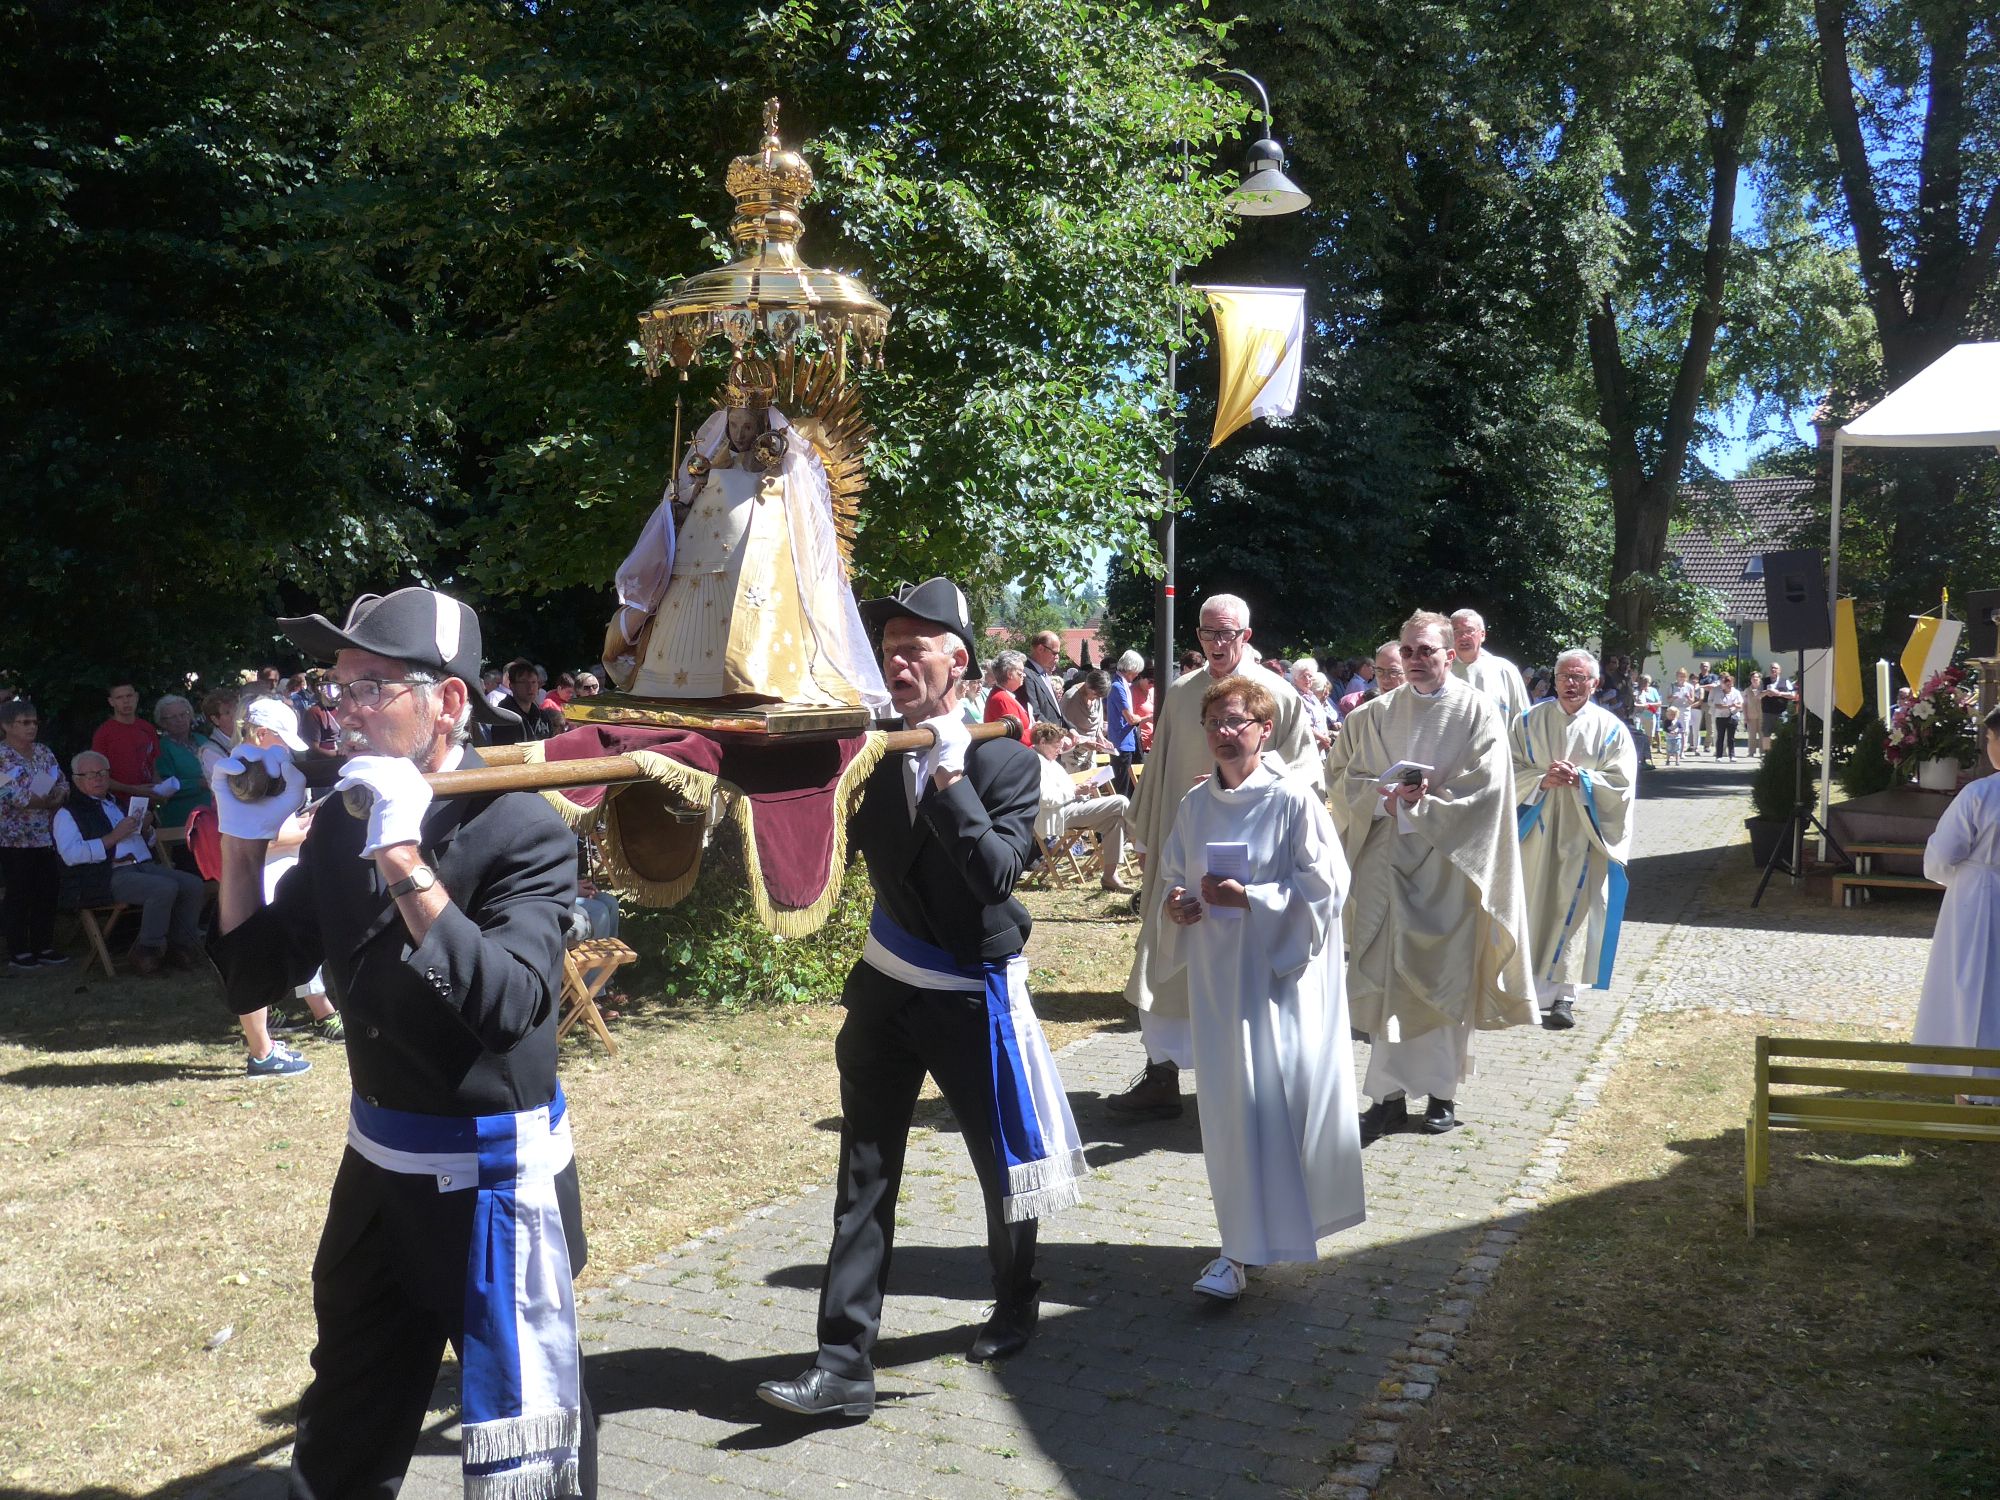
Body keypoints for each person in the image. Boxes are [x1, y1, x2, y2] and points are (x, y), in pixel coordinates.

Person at [209, 585, 593, 1496]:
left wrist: (403, 856)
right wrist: (240, 844)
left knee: (525, 1435)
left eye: (370, 687)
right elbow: (251, 977)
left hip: (493, 1179)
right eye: (336, 688)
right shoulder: (348, 815)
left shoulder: (523, 828)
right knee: (349, 1403)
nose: (342, 712)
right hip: (378, 1169)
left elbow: (509, 1007)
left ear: (447, 701)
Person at [758, 578, 1086, 1420]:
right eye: (888, 649)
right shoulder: (867, 757)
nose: (897, 662)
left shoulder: (1007, 762)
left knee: (1000, 1166)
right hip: (885, 993)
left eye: (914, 648)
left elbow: (994, 875)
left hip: (970, 997)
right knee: (863, 1173)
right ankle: (843, 1365)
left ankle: (1017, 1296)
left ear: (958, 662)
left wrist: (949, 773)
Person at [1155, 675, 1365, 1299]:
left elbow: (1328, 887)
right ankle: (1238, 1249)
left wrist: (1253, 898)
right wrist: (1176, 904)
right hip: (1218, 983)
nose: (1223, 733)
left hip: (1278, 983)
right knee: (1228, 1112)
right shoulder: (1195, 805)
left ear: (1264, 730)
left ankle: (1262, 1237)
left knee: (1274, 1105)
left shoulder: (1292, 798)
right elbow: (1173, 873)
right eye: (1213, 723)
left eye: (1236, 721)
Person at [1107, 593, 1321, 1122]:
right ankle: (1162, 1075)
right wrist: (1145, 839)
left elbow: (1306, 771)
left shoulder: (1276, 693)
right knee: (1169, 953)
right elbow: (1159, 767)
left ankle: (1248, 1088)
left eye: (1226, 634)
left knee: (1239, 969)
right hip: (1185, 846)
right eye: (1207, 633)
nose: (1216, 644)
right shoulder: (1183, 693)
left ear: (1246, 635)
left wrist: (1241, 778)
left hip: (1255, 853)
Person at [1325, 611, 1536, 1140]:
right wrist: (1381, 798)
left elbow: (1488, 790)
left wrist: (1422, 804)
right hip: (1383, 862)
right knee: (1385, 979)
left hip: (1448, 866)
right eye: (1409, 651)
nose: (1416, 660)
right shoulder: (1374, 715)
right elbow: (1344, 778)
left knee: (1443, 979)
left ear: (1450, 654)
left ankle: (1442, 1094)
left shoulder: (1477, 712)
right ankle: (1387, 1097)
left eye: (1427, 651)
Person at [604, 354, 889, 713]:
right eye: (735, 425)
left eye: (747, 427)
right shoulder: (713, 463)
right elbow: (687, 498)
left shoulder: (781, 470)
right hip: (698, 556)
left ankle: (756, 674)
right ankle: (670, 677)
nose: (740, 434)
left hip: (758, 559)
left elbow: (795, 514)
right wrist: (685, 499)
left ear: (761, 427)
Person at [1512, 650, 1638, 1030]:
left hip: (1584, 834)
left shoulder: (1611, 729)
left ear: (1594, 684)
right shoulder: (1527, 722)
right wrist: (1541, 780)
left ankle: (1565, 996)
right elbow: (1505, 770)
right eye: (1563, 676)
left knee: (1575, 909)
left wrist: (1582, 780)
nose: (1570, 683)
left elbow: (1622, 784)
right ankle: (1526, 990)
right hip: (1535, 829)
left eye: (1579, 677)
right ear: (1554, 680)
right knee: (1533, 904)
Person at [55, 751, 211, 979]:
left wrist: (145, 829)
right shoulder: (68, 813)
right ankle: (148, 952)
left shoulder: (116, 804)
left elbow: (144, 842)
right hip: (103, 875)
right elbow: (71, 855)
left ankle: (180, 947)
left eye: (102, 773)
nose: (98, 779)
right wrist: (112, 837)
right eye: (91, 775)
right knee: (162, 888)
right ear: (77, 780)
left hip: (142, 865)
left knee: (193, 884)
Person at [1911, 706, 2000, 1105]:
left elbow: (1942, 855)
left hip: (1978, 900)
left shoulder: (1980, 794)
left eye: (1990, 739)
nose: (1987, 746)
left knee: (1973, 987)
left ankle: (1972, 1088)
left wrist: (1961, 878)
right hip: (1979, 888)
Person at [1, 699, 70, 971]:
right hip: (14, 839)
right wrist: (46, 801)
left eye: (34, 722)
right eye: (25, 722)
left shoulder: (43, 751)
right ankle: (18, 950)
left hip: (46, 836)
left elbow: (62, 780)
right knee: (19, 893)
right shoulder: (2, 756)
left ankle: (44, 946)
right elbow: (11, 795)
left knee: (47, 891)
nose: (32, 727)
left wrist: (59, 795)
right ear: (7, 726)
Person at [1030, 721, 1134, 893]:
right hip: (1056, 814)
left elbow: (1067, 788)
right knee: (1121, 802)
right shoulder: (1034, 762)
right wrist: (1075, 791)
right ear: (1042, 742)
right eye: (1056, 746)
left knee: (1114, 821)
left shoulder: (1050, 761)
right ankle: (1145, 846)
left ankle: (1110, 876)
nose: (1059, 750)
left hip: (1068, 807)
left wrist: (1082, 788)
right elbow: (1045, 798)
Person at [92, 681, 177, 808]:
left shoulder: (147, 728)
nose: (126, 701)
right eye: (119, 697)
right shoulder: (104, 733)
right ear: (111, 702)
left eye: (129, 696)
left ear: (136, 697)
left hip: (148, 801)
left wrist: (160, 789)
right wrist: (133, 789)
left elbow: (153, 766)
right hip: (117, 803)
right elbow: (97, 775)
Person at [151, 695, 213, 847]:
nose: (179, 720)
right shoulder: (162, 748)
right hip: (183, 819)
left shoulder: (202, 740)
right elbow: (164, 786)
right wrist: (198, 784)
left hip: (213, 812)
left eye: (183, 714)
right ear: (162, 722)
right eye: (172, 717)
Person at [1449, 609, 1530, 722]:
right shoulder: (1440, 672)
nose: (1463, 636)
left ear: (1482, 635)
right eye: (1456, 631)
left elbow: (1523, 718)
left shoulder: (1504, 670)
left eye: (1469, 630)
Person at [489, 657, 568, 744]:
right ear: (512, 686)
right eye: (523, 682)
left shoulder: (543, 717)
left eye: (533, 682)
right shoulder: (503, 718)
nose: (530, 687)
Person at [1059, 669, 1116, 773]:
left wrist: (1101, 738)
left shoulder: (1097, 695)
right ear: (1088, 685)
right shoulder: (1071, 697)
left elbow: (1098, 724)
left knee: (1092, 782)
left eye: (1099, 696)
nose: (1096, 698)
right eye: (1095, 694)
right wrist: (1085, 742)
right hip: (1072, 753)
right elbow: (1062, 727)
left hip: (1090, 752)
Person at [1105, 650, 1145, 796]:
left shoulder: (1122, 684)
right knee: (1122, 789)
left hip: (1127, 741)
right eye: (1136, 671)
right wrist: (1147, 718)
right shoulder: (1117, 686)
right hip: (1121, 743)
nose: (1137, 675)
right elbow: (1131, 719)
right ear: (1131, 668)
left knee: (1131, 788)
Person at [1339, 641, 1405, 717]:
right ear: (1364, 667)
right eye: (1379, 671)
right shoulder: (1360, 718)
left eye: (1393, 672)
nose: (1385, 679)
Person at [1019, 630, 1069, 727]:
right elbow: (1034, 714)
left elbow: (1056, 712)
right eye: (1054, 653)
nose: (1057, 658)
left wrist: (1071, 728)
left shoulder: (1044, 674)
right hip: (1046, 734)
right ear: (1040, 649)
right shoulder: (1026, 675)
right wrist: (1058, 732)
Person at [982, 649, 1034, 741]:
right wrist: (1037, 731)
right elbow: (1017, 736)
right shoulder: (1001, 699)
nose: (1024, 675)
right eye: (1020, 672)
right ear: (1010, 674)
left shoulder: (1003, 695)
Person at [196, 688, 242, 778]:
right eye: (227, 712)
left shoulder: (250, 737)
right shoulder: (210, 751)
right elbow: (232, 781)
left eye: (237, 709)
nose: (235, 715)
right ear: (215, 720)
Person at [1759, 663, 1795, 753]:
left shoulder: (1785, 681)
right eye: (1772, 668)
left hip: (1782, 712)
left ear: (1779, 670)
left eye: (1775, 668)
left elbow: (1793, 695)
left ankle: (1782, 752)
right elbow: (1757, 695)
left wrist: (1779, 693)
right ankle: (1766, 753)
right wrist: (1767, 692)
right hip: (1767, 712)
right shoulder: (1764, 681)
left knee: (1782, 732)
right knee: (1766, 733)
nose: (1773, 670)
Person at [1711, 671, 1745, 760]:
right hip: (1720, 717)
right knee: (1720, 737)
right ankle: (1719, 756)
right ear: (1724, 684)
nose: (1729, 686)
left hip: (1733, 716)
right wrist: (1729, 706)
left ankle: (1732, 755)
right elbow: (1717, 705)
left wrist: (1735, 706)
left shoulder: (1736, 692)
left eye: (1731, 684)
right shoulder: (1719, 693)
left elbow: (1740, 704)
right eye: (1727, 684)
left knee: (1731, 738)